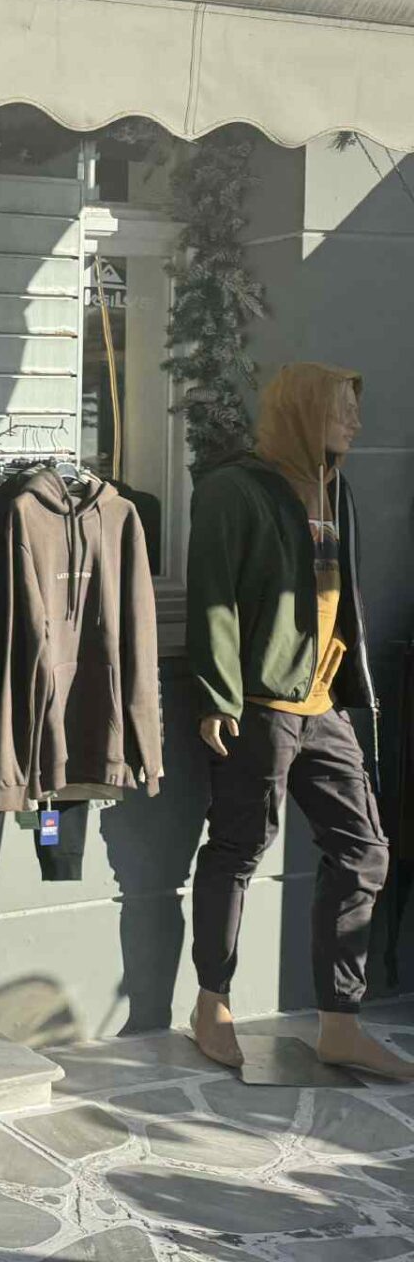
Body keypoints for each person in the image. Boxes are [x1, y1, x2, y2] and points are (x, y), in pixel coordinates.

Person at [187, 364, 411, 1078]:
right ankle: (212, 1005)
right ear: (303, 412)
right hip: (259, 703)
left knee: (364, 851)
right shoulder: (234, 490)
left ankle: (340, 1024)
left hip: (323, 702)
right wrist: (218, 696)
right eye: (342, 410)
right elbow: (214, 596)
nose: (356, 424)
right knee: (238, 849)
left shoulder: (334, 489)